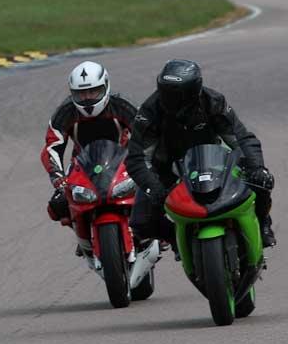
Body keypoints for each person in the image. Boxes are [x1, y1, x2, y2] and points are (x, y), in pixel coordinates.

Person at [127, 59, 275, 248]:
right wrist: (153, 188)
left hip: (214, 163)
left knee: (262, 179)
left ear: (192, 92)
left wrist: (256, 167)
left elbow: (241, 138)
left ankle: (263, 224)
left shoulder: (212, 102)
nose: (166, 98)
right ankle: (179, 241)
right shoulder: (149, 111)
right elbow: (138, 158)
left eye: (174, 95)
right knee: (141, 223)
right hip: (167, 171)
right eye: (164, 91)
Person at [41, 61, 138, 236]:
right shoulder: (65, 113)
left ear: (105, 86)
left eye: (93, 91)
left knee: (155, 191)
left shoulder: (122, 106)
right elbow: (52, 148)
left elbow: (145, 135)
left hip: (124, 162)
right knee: (58, 205)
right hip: (82, 166)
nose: (88, 98)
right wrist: (59, 180)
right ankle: (84, 236)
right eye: (81, 94)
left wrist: (146, 164)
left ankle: (155, 233)